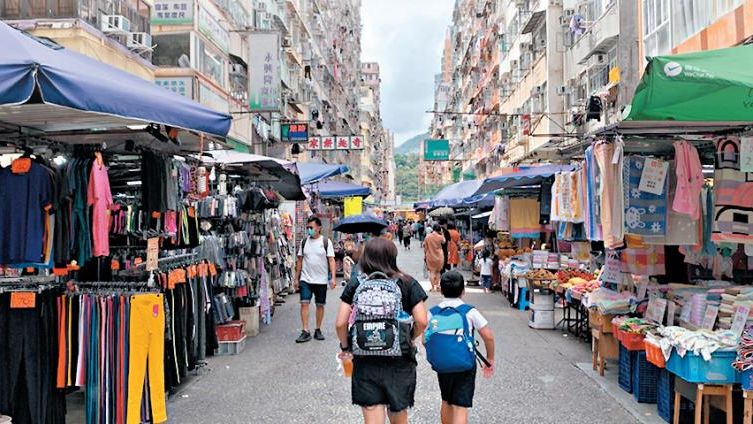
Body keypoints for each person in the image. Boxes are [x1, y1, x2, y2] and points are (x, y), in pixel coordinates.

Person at [335, 238, 428, 424]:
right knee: (398, 411)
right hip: (399, 358)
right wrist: (409, 338)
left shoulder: (356, 283)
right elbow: (422, 320)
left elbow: (340, 323)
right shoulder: (407, 282)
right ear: (393, 257)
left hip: (365, 358)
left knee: (372, 413)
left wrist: (346, 347)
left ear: (365, 258)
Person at [430, 271, 495, 424]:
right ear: (463, 291)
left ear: (441, 290)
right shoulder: (469, 311)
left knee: (446, 400)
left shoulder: (433, 313)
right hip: (465, 363)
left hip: (443, 364)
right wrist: (490, 358)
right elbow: (488, 336)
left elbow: (425, 340)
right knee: (460, 406)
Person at [294, 216, 336, 343]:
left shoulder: (326, 242)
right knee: (304, 303)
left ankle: (318, 329)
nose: (309, 230)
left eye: (311, 228)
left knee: (320, 305)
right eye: (308, 228)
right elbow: (300, 261)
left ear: (318, 228)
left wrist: (333, 278)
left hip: (321, 280)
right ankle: (305, 330)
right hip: (305, 279)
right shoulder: (304, 242)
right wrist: (296, 278)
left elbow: (331, 260)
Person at [423, 224, 445, 292]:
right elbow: (444, 241)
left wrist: (425, 255)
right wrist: (442, 233)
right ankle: (438, 286)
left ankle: (433, 287)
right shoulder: (440, 237)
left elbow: (425, 247)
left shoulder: (428, 237)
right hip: (439, 256)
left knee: (432, 272)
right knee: (438, 271)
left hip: (430, 256)